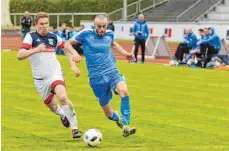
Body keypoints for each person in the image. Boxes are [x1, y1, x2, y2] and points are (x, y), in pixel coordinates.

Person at [65, 15, 136, 137]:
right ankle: (117, 118)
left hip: (112, 72)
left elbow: (113, 44)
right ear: (94, 25)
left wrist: (125, 54)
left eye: (104, 26)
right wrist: (75, 53)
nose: (102, 29)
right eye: (99, 26)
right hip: (96, 78)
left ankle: (126, 125)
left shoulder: (109, 34)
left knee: (124, 90)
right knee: (109, 113)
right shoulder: (86, 34)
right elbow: (67, 44)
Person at [17, 12, 82, 139]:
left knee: (63, 97)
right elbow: (20, 55)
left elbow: (66, 46)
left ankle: (75, 129)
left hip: (55, 74)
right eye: (42, 24)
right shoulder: (30, 37)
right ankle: (63, 115)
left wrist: (73, 58)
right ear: (36, 24)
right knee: (52, 107)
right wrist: (36, 49)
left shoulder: (54, 37)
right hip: (40, 80)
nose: (45, 26)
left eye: (46, 23)